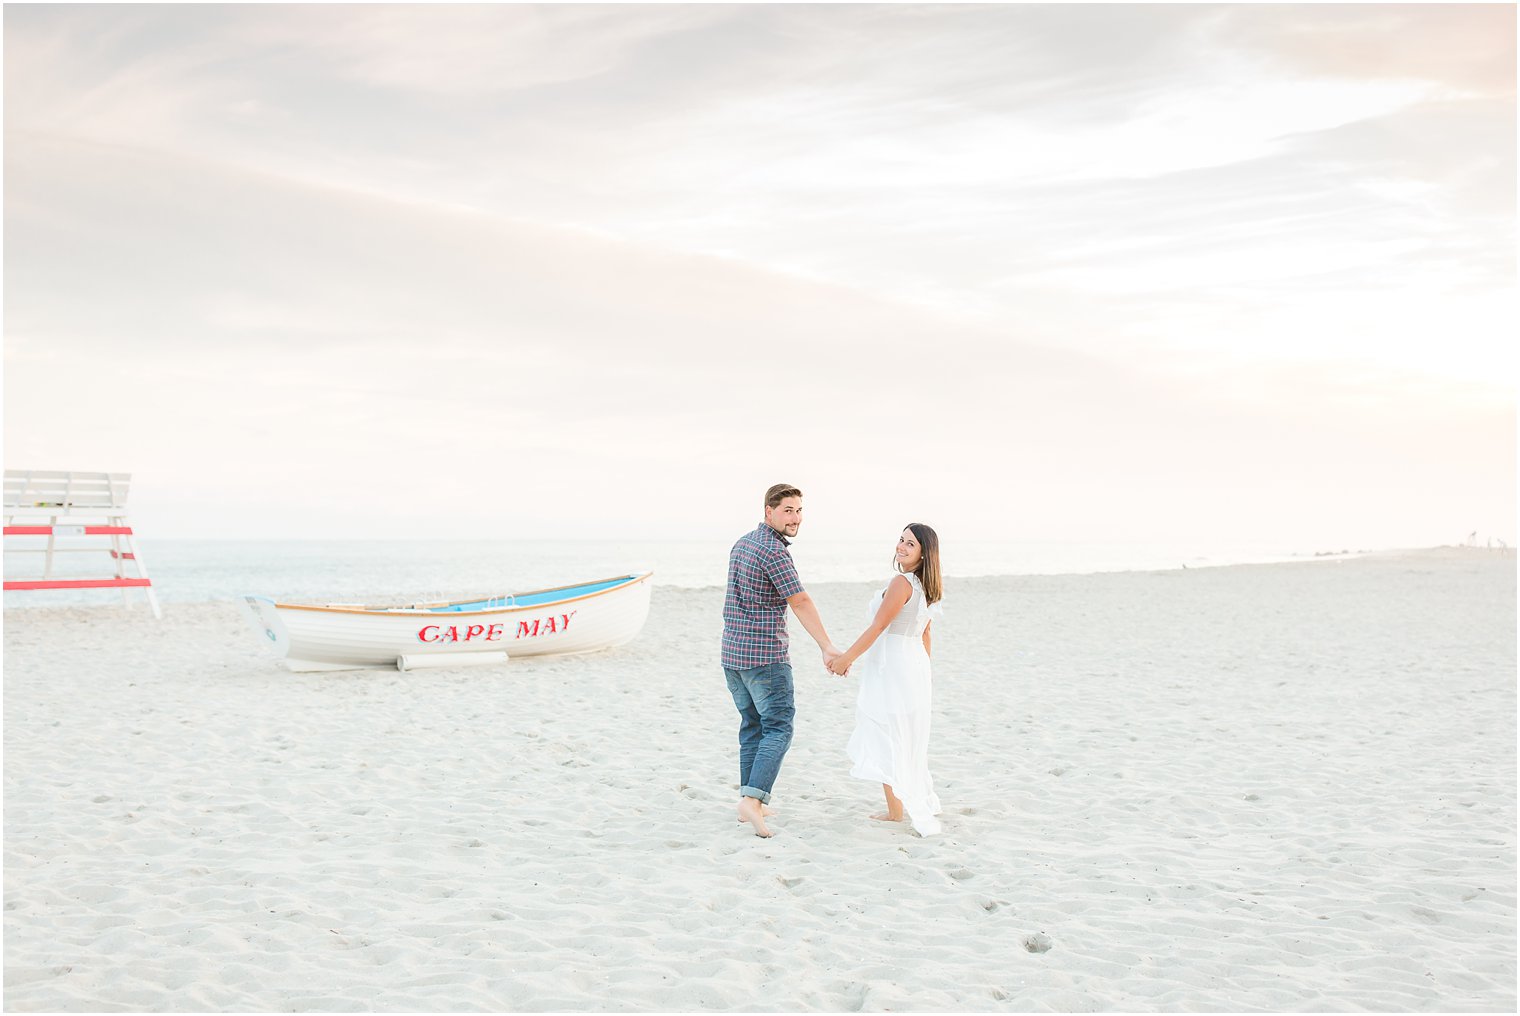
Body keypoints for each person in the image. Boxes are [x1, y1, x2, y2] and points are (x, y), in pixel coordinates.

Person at [722, 483, 842, 838]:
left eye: (799, 510)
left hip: (732, 654)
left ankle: (750, 799)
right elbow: (800, 600)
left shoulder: (742, 543)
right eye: (788, 510)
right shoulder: (774, 551)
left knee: (752, 727)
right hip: (764, 656)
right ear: (768, 512)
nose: (795, 518)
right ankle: (753, 801)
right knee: (779, 726)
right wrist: (826, 646)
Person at [828, 523, 944, 836]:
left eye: (910, 544)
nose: (901, 547)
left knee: (886, 731)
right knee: (903, 733)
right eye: (901, 540)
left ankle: (896, 812)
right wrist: (924, 674)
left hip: (894, 664)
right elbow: (926, 633)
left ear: (923, 553)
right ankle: (899, 805)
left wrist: (846, 658)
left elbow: (879, 626)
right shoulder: (927, 585)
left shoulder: (902, 582)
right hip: (914, 663)